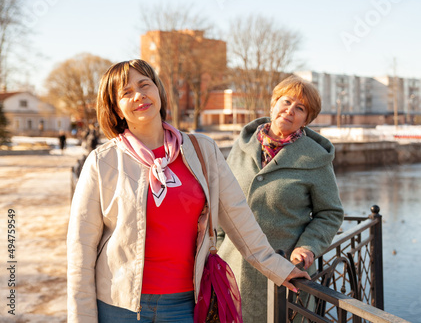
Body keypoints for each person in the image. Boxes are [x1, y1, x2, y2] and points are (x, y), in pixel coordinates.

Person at [66, 59, 309, 323]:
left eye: (144, 84)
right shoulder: (103, 162)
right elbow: (81, 250)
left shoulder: (202, 150)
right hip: (118, 307)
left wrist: (276, 267)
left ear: (158, 90)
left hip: (184, 305)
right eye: (126, 93)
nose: (139, 95)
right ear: (116, 109)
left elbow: (238, 216)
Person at [218, 75, 344, 322]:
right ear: (273, 104)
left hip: (285, 271)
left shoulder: (315, 158)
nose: (289, 111)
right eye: (285, 102)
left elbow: (330, 213)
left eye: (300, 108)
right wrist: (218, 246)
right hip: (233, 267)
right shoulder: (242, 146)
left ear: (306, 120)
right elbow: (221, 199)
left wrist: (308, 246)